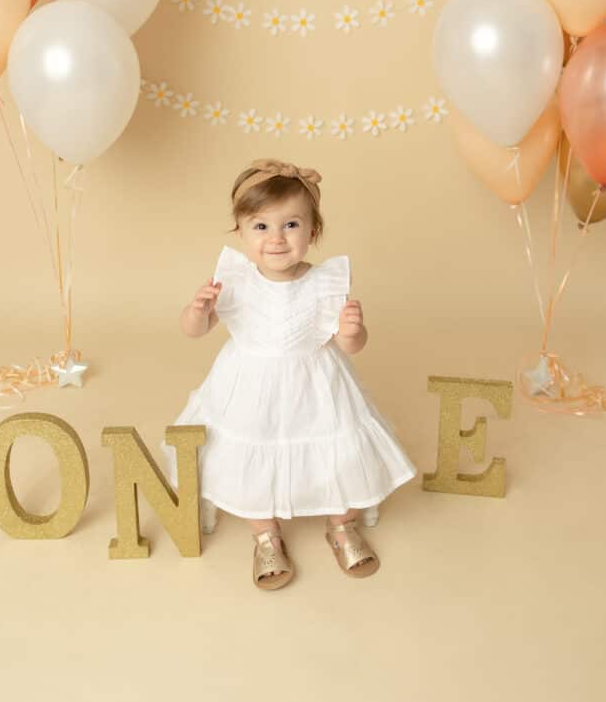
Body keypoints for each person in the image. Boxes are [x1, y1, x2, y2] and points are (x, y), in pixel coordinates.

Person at [160, 158, 417, 589]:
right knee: (251, 448)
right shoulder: (236, 282)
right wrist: (196, 311)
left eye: (291, 225)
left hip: (316, 385)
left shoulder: (323, 283)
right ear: (240, 233)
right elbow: (195, 331)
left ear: (313, 232)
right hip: (249, 384)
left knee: (337, 446)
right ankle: (265, 532)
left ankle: (342, 524)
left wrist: (354, 331)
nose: (276, 239)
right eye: (260, 227)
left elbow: (347, 343)